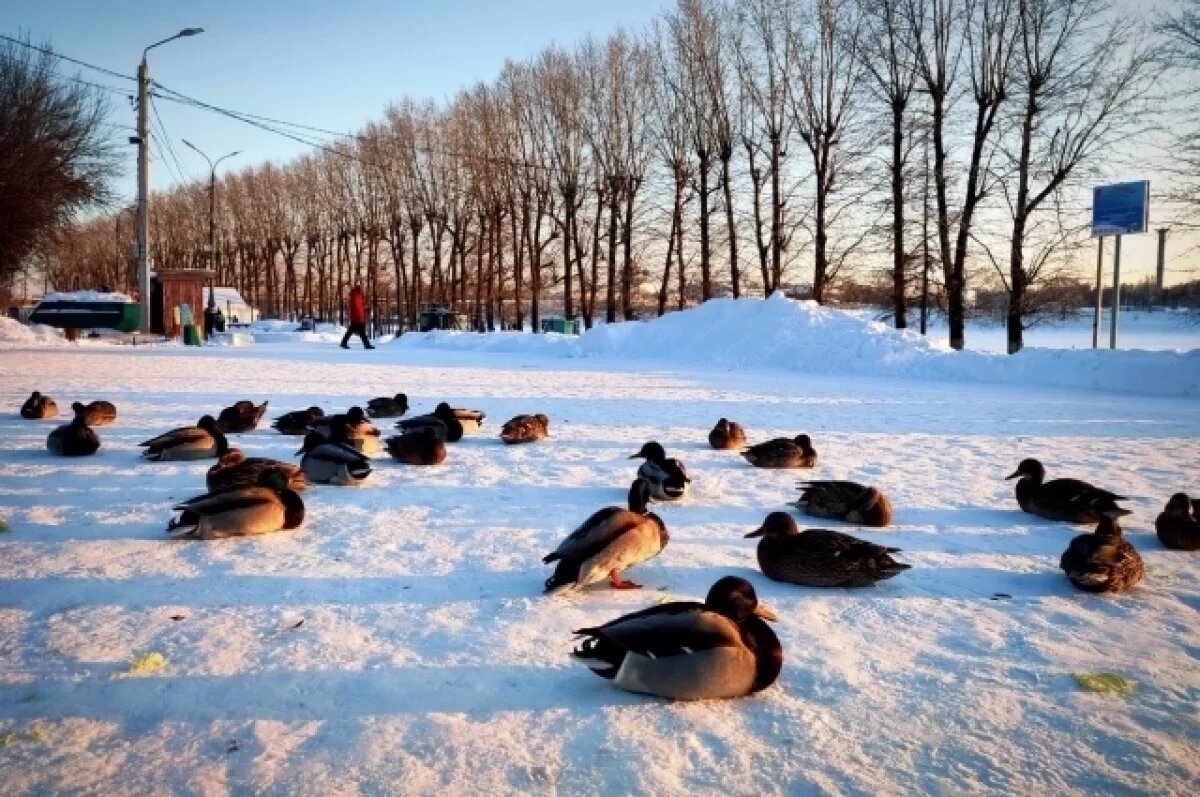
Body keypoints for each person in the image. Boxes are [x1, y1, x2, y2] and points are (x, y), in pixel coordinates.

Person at [340, 285, 374, 350]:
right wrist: (363, 313)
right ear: (359, 290)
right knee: (360, 332)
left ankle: (344, 342)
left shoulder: (357, 296)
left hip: (357, 317)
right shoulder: (356, 296)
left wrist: (365, 308)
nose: (362, 291)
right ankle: (367, 345)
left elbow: (360, 306)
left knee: (354, 331)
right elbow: (357, 307)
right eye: (361, 289)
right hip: (358, 317)